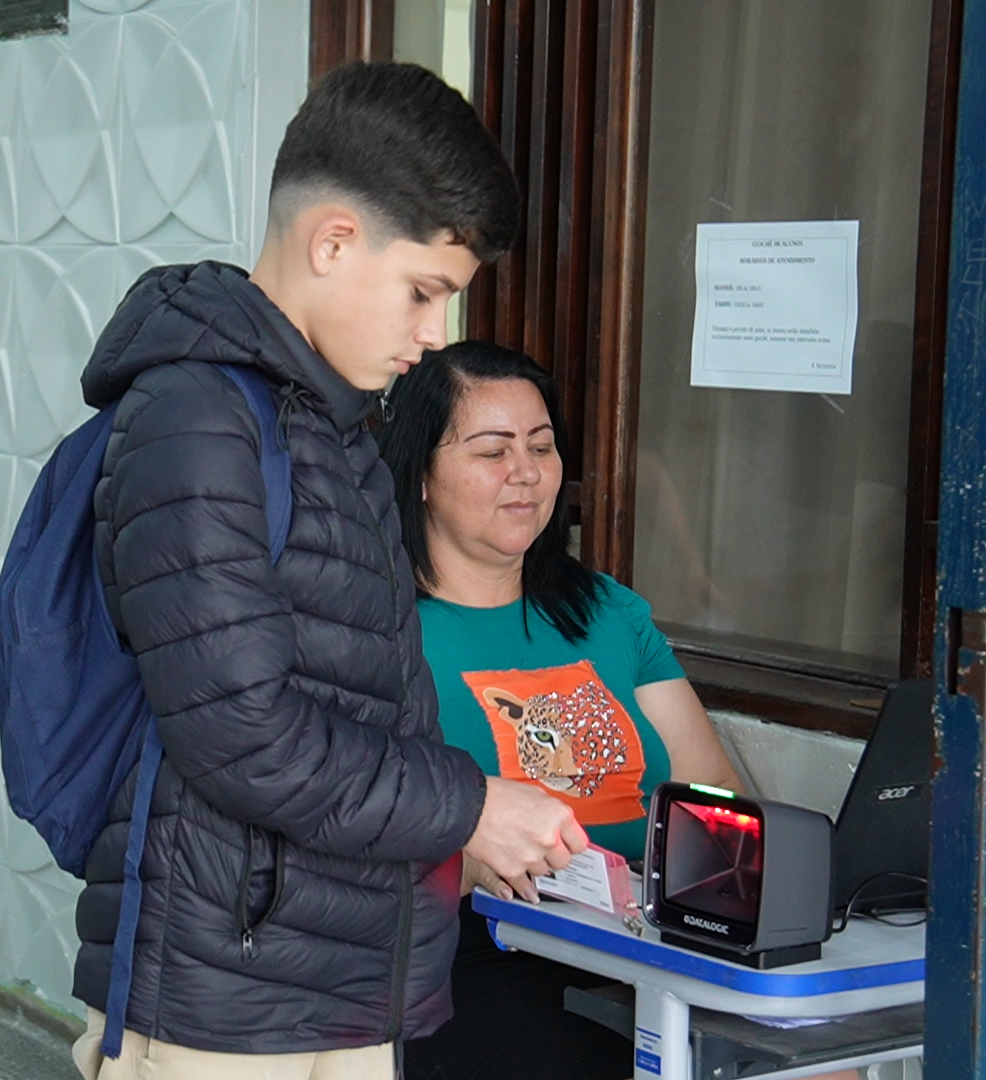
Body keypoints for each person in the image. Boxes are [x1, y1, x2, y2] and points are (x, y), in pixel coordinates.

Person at [67, 63, 588, 1079]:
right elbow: (244, 734)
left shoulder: (331, 423)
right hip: (223, 1001)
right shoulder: (198, 418)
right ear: (334, 242)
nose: (433, 335)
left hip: (334, 979)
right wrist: (473, 803)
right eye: (424, 293)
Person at [380, 341, 855, 1080]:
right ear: (420, 475)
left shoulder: (605, 612)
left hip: (655, 941)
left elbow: (718, 803)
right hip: (478, 956)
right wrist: (460, 858)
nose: (526, 473)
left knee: (821, 1071)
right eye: (491, 451)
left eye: (542, 446)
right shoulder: (376, 628)